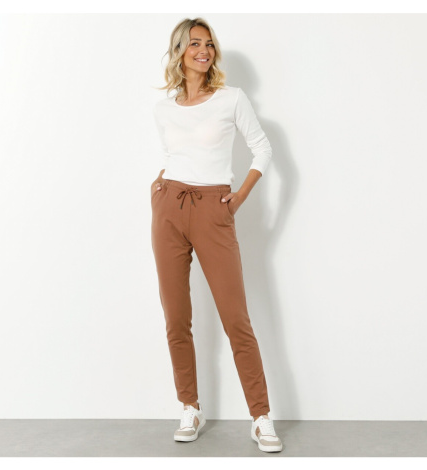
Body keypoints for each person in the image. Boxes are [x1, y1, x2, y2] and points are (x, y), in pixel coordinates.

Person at [150, 17, 282, 453]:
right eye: (194, 44)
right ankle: (189, 406)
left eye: (208, 44)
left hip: (214, 210)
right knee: (176, 318)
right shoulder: (164, 107)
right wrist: (159, 186)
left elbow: (263, 148)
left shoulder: (231, 99)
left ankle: (260, 416)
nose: (203, 50)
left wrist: (239, 197)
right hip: (169, 208)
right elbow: (176, 153)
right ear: (179, 52)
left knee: (235, 320)